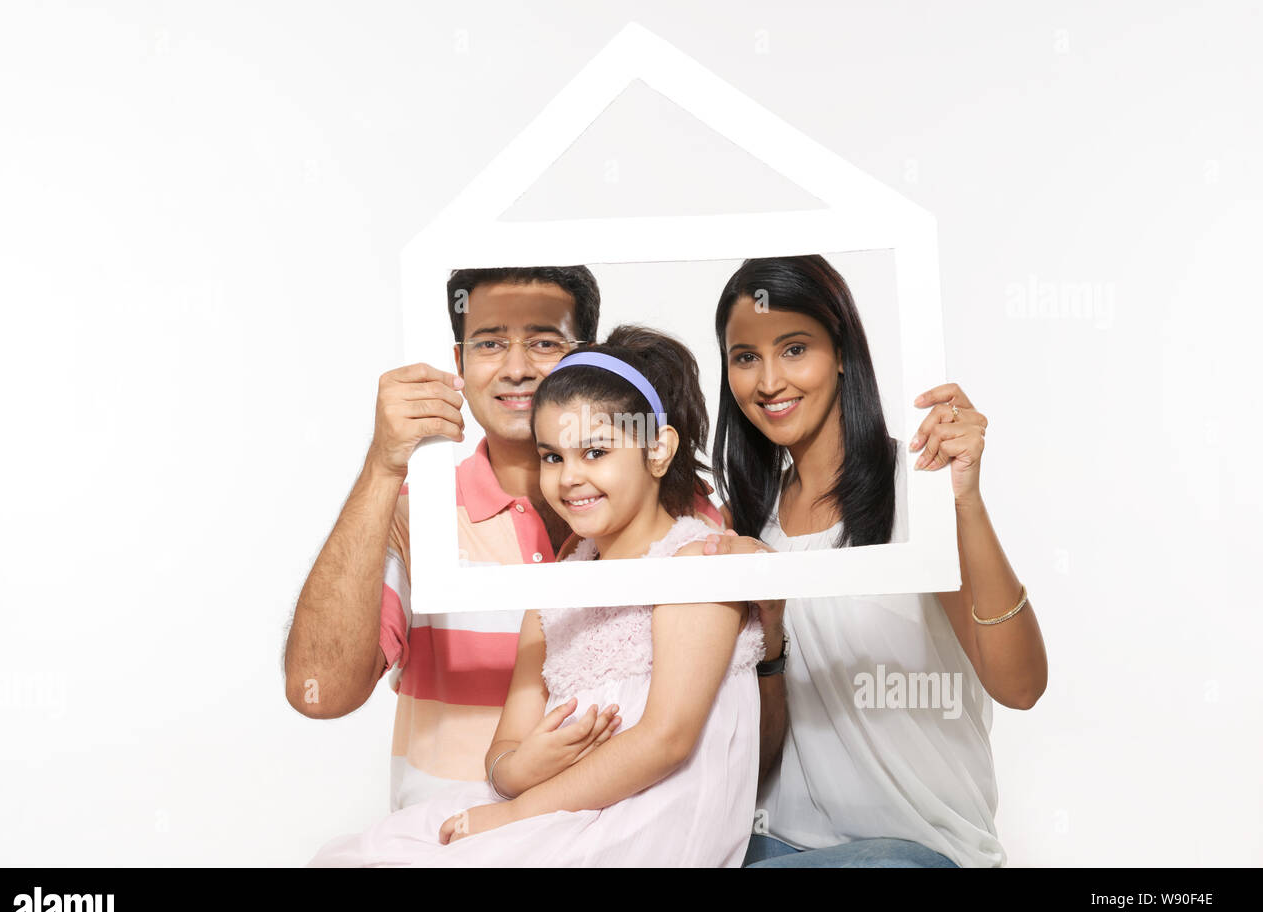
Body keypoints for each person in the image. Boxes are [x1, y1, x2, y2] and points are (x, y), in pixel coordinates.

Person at [307, 327, 766, 866]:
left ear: (658, 450)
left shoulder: (698, 563)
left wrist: (510, 815)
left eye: (595, 451)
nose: (570, 478)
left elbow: (666, 739)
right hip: (555, 805)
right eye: (552, 456)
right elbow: (501, 757)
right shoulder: (555, 590)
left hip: (648, 818)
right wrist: (526, 765)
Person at [704, 255, 1048, 868]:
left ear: (840, 352)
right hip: (771, 849)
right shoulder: (742, 526)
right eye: (745, 357)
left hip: (913, 853)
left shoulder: (917, 494)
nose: (769, 381)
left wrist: (964, 501)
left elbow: (1019, 685)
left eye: (794, 348)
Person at [283, 266, 605, 810]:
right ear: (458, 364)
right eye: (490, 343)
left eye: (545, 341)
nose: (517, 369)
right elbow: (320, 691)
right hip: (442, 850)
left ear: (588, 358)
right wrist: (384, 466)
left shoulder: (657, 513)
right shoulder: (413, 517)